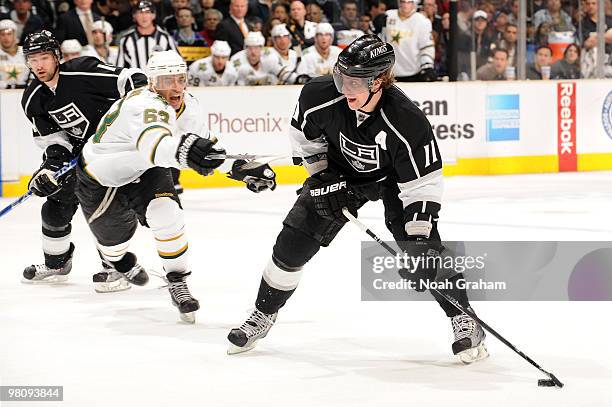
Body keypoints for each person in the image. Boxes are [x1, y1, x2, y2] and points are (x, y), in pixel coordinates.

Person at [226, 35, 489, 365]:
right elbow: (304, 138)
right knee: (292, 242)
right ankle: (262, 315)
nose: (343, 88)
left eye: (353, 82)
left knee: (424, 249)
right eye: (340, 77)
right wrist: (322, 177)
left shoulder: (407, 120)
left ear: (379, 81)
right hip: (340, 172)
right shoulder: (319, 95)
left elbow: (423, 186)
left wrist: (420, 239)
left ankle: (465, 319)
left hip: (396, 180)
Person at [76, 50, 275, 320]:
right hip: (102, 174)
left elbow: (207, 148)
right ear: (152, 82)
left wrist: (240, 167)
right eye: (168, 80)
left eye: (181, 79)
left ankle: (177, 280)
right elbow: (154, 147)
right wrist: (186, 151)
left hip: (146, 169)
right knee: (113, 243)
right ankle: (117, 260)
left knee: (167, 214)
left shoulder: (190, 106)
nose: (177, 87)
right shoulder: (142, 104)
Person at [20, 30, 147, 286]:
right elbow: (54, 141)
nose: (38, 65)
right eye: (32, 60)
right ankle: (57, 263)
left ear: (56, 56)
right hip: (82, 156)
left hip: (116, 151)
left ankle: (116, 265)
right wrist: (50, 169)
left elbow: (133, 78)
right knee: (55, 206)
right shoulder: (33, 98)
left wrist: (133, 117)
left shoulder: (82, 70)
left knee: (111, 211)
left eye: (43, 57)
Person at [380, 0, 436, 81]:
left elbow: (426, 47)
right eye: (403, 2)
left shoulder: (422, 21)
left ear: (414, 4)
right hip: (390, 73)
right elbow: (379, 40)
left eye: (409, 2)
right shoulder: (387, 16)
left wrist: (427, 66)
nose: (405, 5)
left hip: (414, 72)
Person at [116, 0, 178, 69]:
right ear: (134, 16)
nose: (144, 16)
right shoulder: (126, 39)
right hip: (135, 79)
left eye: (147, 12)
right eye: (140, 12)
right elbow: (120, 68)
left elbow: (178, 63)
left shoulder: (165, 38)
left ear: (153, 15)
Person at [0, 19, 29, 89]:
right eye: (2, 34)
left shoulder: (25, 52)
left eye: (9, 34)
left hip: (25, 90)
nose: (6, 38)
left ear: (15, 35)